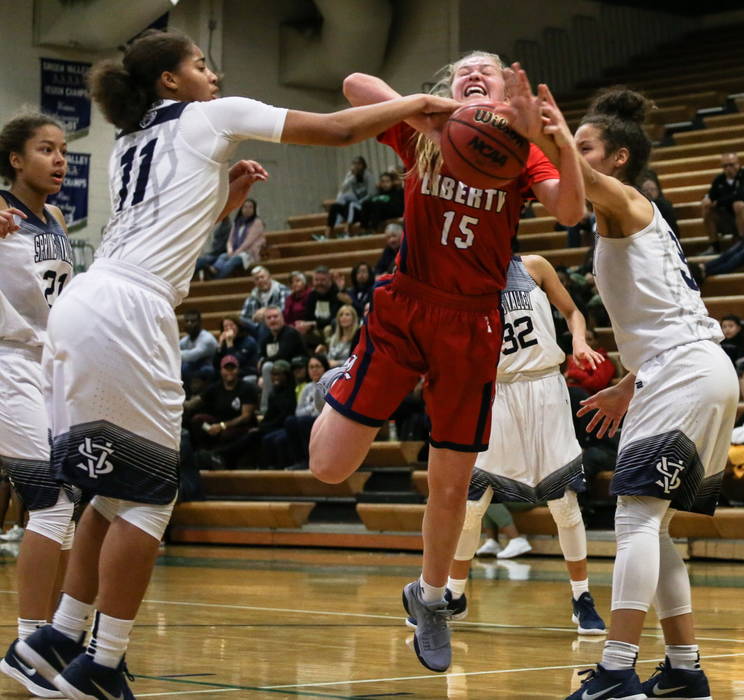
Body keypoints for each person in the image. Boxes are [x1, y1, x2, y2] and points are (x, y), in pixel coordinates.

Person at [21, 28, 462, 699]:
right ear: (170, 80)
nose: (213, 75)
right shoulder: (210, 117)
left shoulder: (132, 142)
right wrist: (414, 105)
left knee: (111, 494)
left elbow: (164, 228)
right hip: (129, 312)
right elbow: (340, 130)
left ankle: (55, 639)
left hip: (87, 304)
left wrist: (221, 201)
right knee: (150, 498)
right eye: (201, 64)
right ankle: (102, 665)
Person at [310, 54, 585, 674]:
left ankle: (431, 599)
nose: (477, 74)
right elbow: (352, 81)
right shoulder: (425, 130)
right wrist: (428, 114)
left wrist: (558, 141)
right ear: (449, 88)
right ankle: (342, 384)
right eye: (465, 71)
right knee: (328, 467)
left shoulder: (515, 151)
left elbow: (569, 211)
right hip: (408, 304)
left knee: (454, 485)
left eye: (488, 71)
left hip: (474, 324)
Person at [560, 86, 736, 700]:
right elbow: (668, 320)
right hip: (691, 368)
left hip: (684, 372)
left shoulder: (628, 203)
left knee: (634, 519)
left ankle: (615, 670)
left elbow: (570, 174)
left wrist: (540, 125)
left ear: (618, 160)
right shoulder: (633, 219)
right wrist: (625, 385)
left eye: (587, 147)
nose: (574, 154)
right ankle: (685, 669)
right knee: (654, 529)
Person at [436, 254, 607, 635]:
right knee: (472, 505)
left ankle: (582, 598)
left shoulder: (534, 266)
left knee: (564, 503)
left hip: (546, 386)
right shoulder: (462, 281)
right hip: (498, 393)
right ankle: (455, 594)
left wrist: (578, 340)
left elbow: (572, 311)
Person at [0, 111, 78, 699]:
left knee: (63, 509)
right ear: (14, 160)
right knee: (51, 502)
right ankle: (31, 645)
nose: (59, 160)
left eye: (63, 151)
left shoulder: (53, 217)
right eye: (45, 150)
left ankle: (49, 643)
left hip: (47, 366)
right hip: (6, 362)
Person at [698, 152, 744, 250]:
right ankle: (714, 245)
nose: (728, 168)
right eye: (725, 166)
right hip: (728, 218)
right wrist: (707, 199)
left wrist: (719, 202)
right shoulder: (719, 180)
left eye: (731, 165)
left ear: (738, 163)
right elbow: (711, 196)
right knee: (706, 207)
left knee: (739, 205)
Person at [323, 155, 377, 239]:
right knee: (335, 206)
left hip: (365, 207)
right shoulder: (352, 177)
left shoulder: (368, 176)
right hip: (354, 208)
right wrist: (348, 177)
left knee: (351, 204)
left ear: (363, 165)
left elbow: (372, 194)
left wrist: (359, 202)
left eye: (359, 164)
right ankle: (328, 233)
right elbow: (343, 189)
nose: (356, 166)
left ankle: (347, 230)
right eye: (354, 163)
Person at [212, 198, 265, 278]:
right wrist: (230, 250)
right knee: (223, 256)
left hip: (248, 253)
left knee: (232, 261)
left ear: (254, 209)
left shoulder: (257, 222)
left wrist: (237, 252)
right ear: (241, 208)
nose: (247, 209)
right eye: (245, 207)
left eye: (250, 207)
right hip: (235, 251)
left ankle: (217, 279)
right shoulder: (237, 222)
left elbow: (249, 241)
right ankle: (213, 271)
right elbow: (230, 240)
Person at [296, 265, 341, 343]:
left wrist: (313, 324)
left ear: (329, 280)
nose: (319, 283)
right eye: (316, 280)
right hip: (315, 329)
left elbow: (334, 318)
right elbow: (308, 316)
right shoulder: (312, 295)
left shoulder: (336, 294)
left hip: (333, 330)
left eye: (323, 280)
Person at [564, 327, 616, 395]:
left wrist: (573, 374)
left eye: (589, 339)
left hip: (586, 396)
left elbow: (598, 384)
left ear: (596, 342)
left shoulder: (602, 359)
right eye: (582, 340)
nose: (585, 343)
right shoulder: (572, 358)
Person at [178, 309, 218, 384]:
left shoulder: (207, 339)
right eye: (187, 321)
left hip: (211, 369)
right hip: (195, 368)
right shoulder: (185, 340)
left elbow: (191, 356)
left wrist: (173, 353)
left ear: (200, 323)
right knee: (181, 369)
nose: (189, 324)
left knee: (206, 370)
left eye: (193, 321)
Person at [215, 316, 258, 381]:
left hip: (246, 372)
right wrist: (219, 346)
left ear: (238, 326)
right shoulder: (224, 342)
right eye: (226, 326)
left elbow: (235, 362)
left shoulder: (248, 341)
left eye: (231, 325)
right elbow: (216, 364)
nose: (229, 328)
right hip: (229, 374)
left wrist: (230, 344)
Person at [639, 171, 678, 237]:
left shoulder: (665, 206)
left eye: (652, 189)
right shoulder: (639, 207)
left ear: (658, 190)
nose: (649, 193)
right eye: (645, 190)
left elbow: (673, 231)